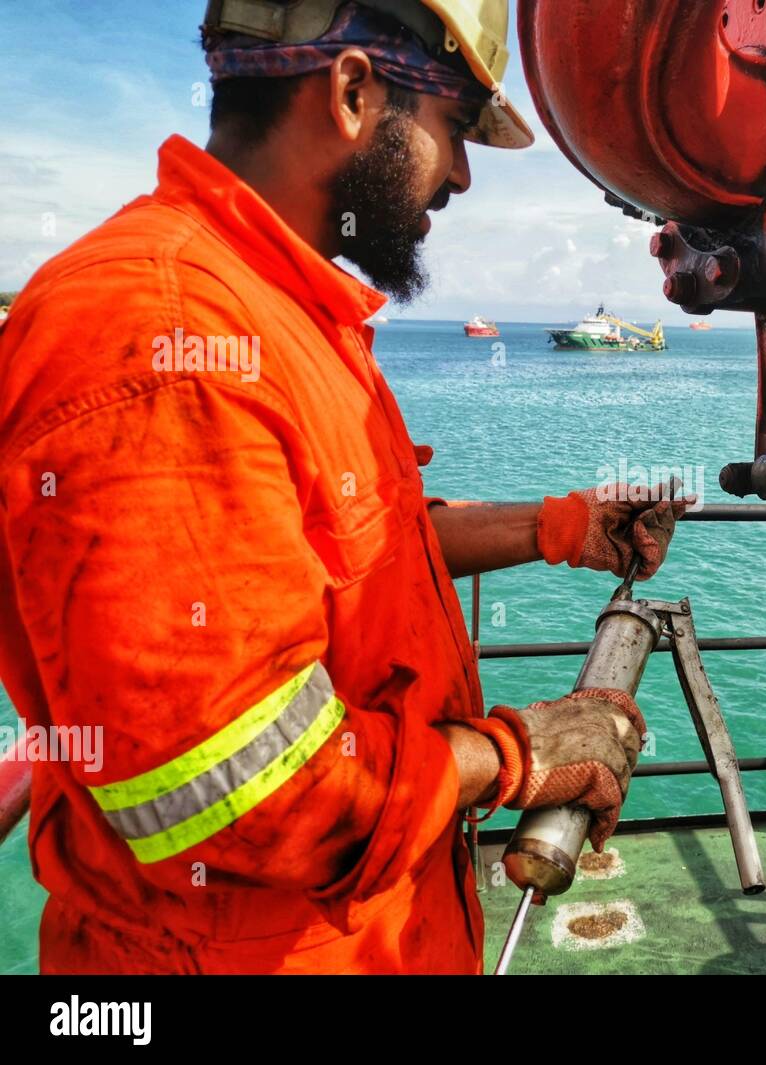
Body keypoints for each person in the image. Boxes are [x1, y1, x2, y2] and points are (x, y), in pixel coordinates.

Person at [0, 0, 686, 974]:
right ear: (355, 91)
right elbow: (239, 798)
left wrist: (567, 525)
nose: (458, 175)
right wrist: (518, 754)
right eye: (454, 128)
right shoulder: (165, 342)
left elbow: (346, 546)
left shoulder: (273, 315)